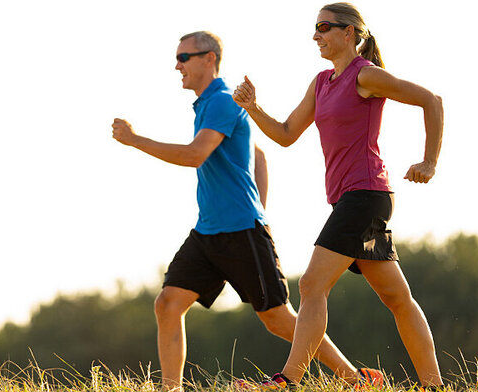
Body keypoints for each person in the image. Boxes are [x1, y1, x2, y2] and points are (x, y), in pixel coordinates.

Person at [112, 30, 381, 391]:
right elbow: (258, 156)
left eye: (184, 57)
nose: (177, 66)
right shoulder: (208, 104)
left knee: (280, 320)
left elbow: (195, 155)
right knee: (168, 303)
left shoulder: (222, 101)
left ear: (210, 59)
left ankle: (355, 379)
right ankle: (170, 388)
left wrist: (135, 140)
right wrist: (261, 205)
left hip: (241, 232)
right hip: (208, 232)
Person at [232, 2, 444, 389]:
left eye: (324, 28)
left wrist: (429, 162)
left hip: (365, 195)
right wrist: (253, 108)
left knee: (312, 285)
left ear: (349, 33)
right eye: (315, 29)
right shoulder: (321, 83)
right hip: (353, 199)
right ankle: (434, 385)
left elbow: (432, 101)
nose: (316, 36)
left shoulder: (367, 76)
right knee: (397, 298)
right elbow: (284, 133)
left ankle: (287, 381)